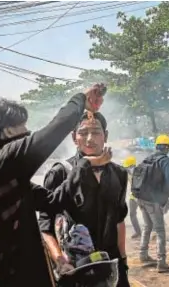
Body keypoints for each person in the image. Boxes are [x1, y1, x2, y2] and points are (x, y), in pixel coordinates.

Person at [0, 84, 107, 287]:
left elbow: (51, 201)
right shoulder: (1, 163)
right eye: (22, 126)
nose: (28, 131)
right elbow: (53, 131)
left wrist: (85, 166)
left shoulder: (10, 178)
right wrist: (80, 100)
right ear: (7, 131)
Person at [39, 111, 130, 287]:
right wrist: (60, 261)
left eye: (96, 132)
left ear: (106, 136)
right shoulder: (61, 172)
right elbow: (45, 225)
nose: (89, 139)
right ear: (74, 137)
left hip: (109, 264)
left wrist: (123, 259)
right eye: (83, 133)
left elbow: (119, 220)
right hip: (74, 267)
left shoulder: (119, 174)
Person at [131, 134, 169, 273]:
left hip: (140, 198)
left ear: (157, 146)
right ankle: (161, 262)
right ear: (167, 148)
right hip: (152, 200)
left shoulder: (148, 159)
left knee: (147, 226)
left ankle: (143, 255)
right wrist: (165, 199)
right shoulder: (165, 161)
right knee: (160, 230)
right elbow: (168, 182)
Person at [123, 156, 141, 239]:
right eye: (126, 168)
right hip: (133, 196)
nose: (127, 170)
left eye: (128, 168)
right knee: (132, 214)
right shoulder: (128, 174)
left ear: (133, 166)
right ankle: (138, 232)